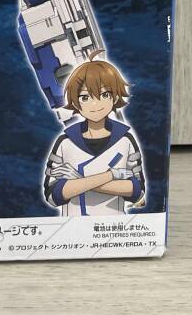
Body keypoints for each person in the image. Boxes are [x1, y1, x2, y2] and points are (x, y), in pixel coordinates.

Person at [44, 60, 146, 214]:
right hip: (72, 224)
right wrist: (112, 175)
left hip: (113, 224)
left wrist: (78, 179)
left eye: (104, 95)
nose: (95, 104)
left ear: (115, 98)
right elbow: (53, 195)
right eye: (85, 97)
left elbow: (137, 191)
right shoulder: (65, 142)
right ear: (76, 103)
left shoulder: (125, 140)